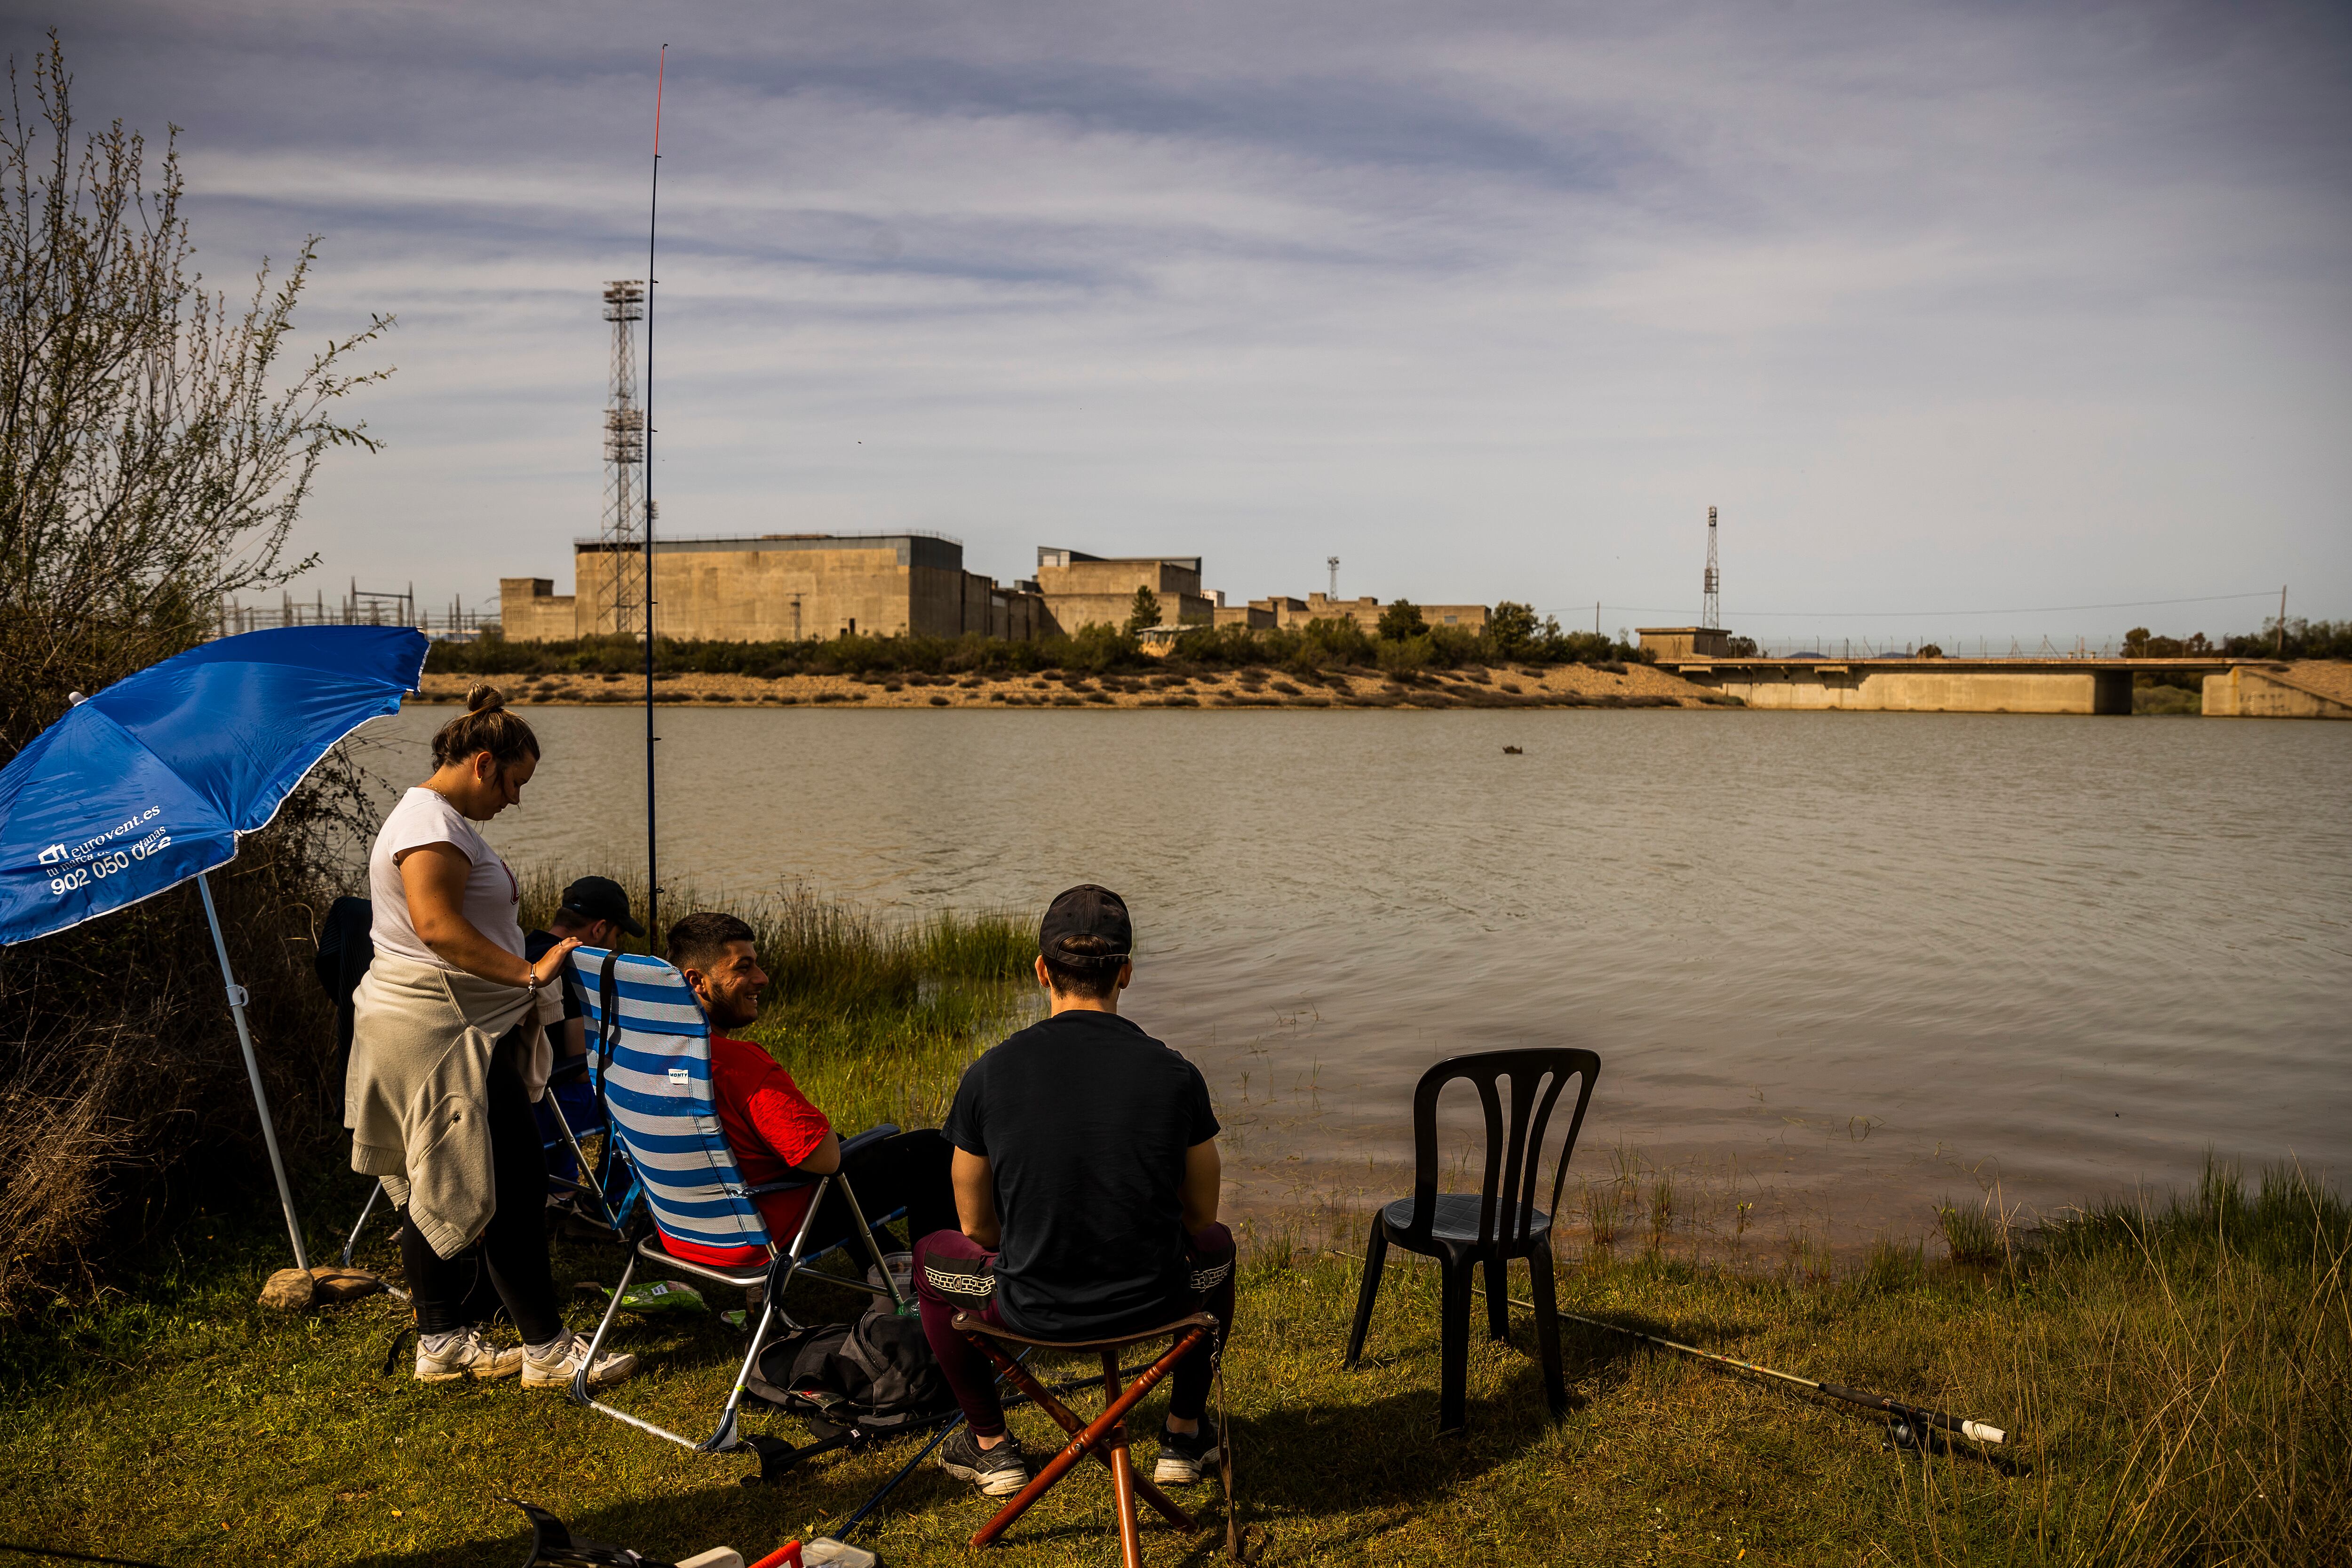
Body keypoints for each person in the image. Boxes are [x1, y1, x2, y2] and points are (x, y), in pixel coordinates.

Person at [344, 685, 637, 1391]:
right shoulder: (430, 825)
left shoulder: (438, 819)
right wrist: (530, 972)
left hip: (450, 1023)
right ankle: (547, 1350)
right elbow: (436, 926)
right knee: (512, 1182)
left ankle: (441, 1343)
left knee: (439, 1176)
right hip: (440, 1030)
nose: (516, 800)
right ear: (483, 763)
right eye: (515, 783)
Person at [916, 885, 1234, 1499]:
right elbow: (1201, 1215)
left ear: (1042, 970)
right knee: (1217, 1250)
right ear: (1126, 973)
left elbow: (977, 1228)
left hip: (1029, 1307)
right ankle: (1184, 1433)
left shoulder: (989, 1072)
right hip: (1158, 1302)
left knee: (933, 1260)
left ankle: (991, 1445)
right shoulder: (1175, 1073)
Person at [661, 911, 956, 1273]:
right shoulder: (737, 1064)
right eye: (744, 967)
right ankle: (942, 1286)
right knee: (931, 1149)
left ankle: (889, 1263)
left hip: (684, 1231)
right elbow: (824, 1160)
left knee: (846, 1146)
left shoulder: (647, 1054)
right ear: (698, 982)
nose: (762, 978)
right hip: (759, 1236)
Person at [524, 876, 643, 1199]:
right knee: (636, 1096)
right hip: (539, 1109)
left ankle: (559, 1190)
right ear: (600, 928)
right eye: (617, 935)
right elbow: (579, 1069)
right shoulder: (569, 966)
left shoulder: (521, 948)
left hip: (505, 1098)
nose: (615, 946)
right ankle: (610, 1199)